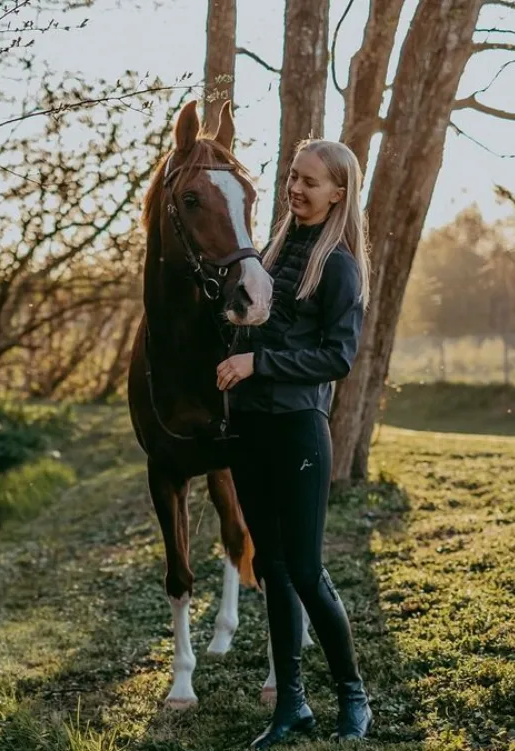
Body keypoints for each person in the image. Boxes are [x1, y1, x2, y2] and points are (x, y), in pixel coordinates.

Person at [215, 138, 372, 748]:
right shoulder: (274, 251)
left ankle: (354, 697)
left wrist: (259, 365)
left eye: (309, 182)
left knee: (305, 569)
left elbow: (338, 356)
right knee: (271, 569)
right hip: (249, 430)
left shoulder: (338, 265)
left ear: (339, 192)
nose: (296, 188)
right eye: (292, 177)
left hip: (298, 432)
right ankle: (292, 705)